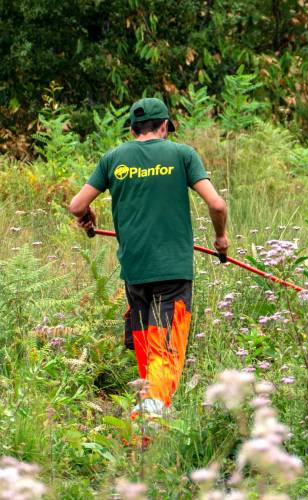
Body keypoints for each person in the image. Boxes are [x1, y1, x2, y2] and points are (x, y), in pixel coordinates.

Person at [69, 97, 229, 417]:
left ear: (132, 129)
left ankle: (148, 411)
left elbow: (76, 206)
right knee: (166, 351)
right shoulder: (182, 154)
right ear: (165, 126)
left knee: (148, 349)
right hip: (173, 271)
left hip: (135, 272)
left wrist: (89, 218)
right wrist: (221, 239)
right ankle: (148, 419)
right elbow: (217, 205)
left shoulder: (112, 158)